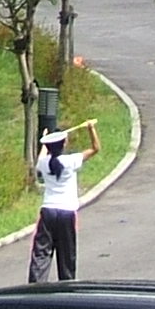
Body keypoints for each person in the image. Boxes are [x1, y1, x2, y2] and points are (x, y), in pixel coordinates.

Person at [29, 117, 102, 283]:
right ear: (64, 144)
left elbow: (42, 154)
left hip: (48, 211)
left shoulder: (43, 163)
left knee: (41, 252)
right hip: (67, 212)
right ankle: (67, 284)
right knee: (67, 253)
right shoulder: (71, 161)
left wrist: (45, 138)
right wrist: (90, 128)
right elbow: (95, 148)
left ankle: (36, 286)